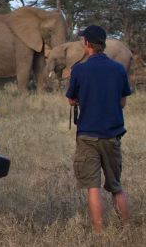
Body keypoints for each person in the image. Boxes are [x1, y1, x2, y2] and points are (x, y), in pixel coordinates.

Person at [65, 25, 132, 233]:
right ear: (103, 43)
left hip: (87, 136)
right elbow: (122, 102)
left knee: (93, 187)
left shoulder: (79, 69)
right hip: (112, 135)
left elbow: (71, 100)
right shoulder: (118, 69)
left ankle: (99, 232)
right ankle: (127, 228)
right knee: (116, 186)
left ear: (87, 44)